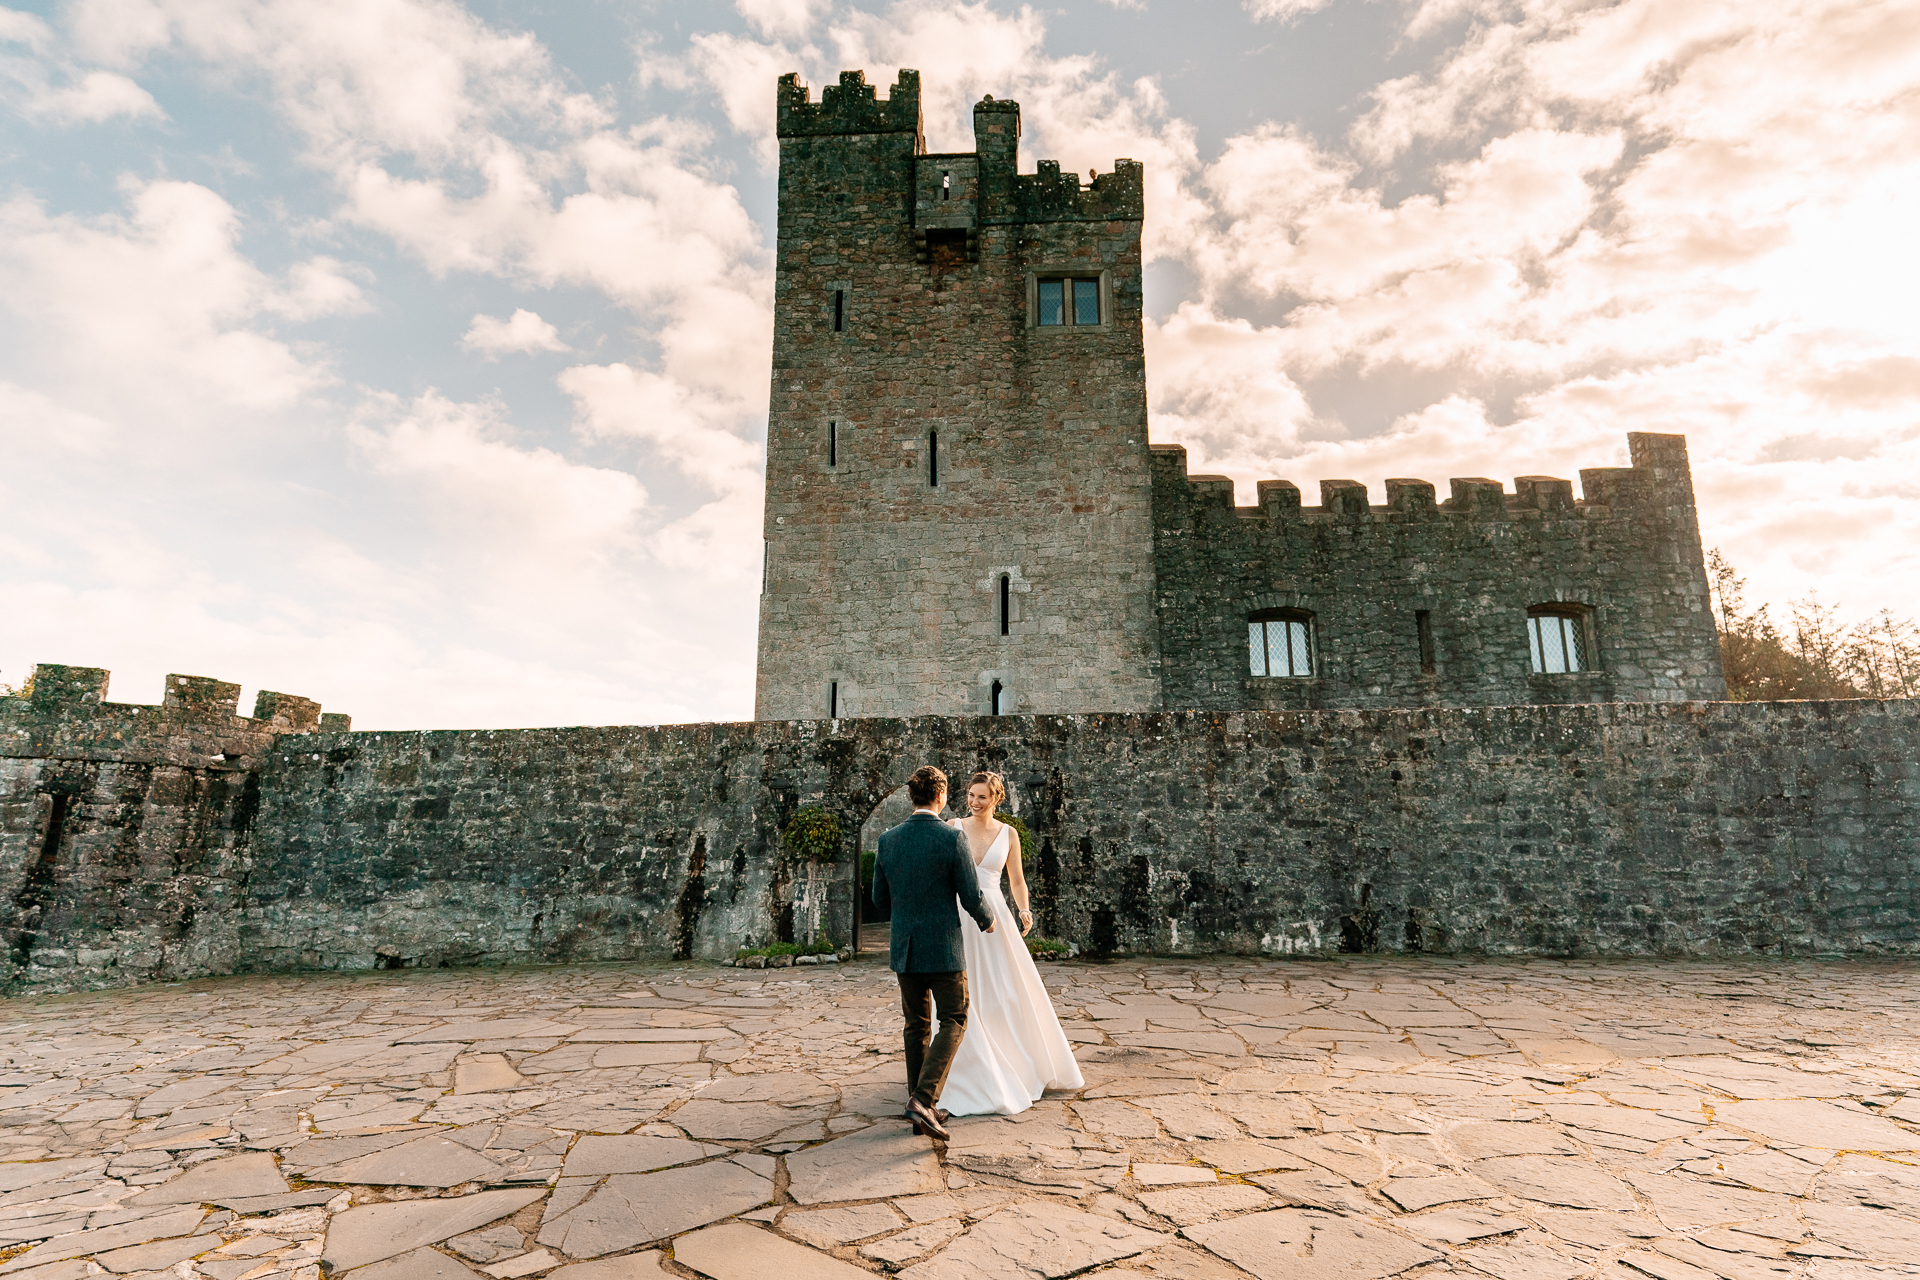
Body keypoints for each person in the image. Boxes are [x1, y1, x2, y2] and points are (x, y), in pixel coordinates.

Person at [938, 771, 1084, 1115]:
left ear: (996, 799)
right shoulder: (952, 826)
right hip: (958, 915)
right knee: (961, 989)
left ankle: (1015, 1062)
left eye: (982, 797)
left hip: (995, 917)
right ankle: (965, 1068)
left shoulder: (1009, 834)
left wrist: (1024, 909)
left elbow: (1016, 880)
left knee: (1005, 989)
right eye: (971, 795)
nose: (974, 802)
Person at [870, 765, 995, 1141]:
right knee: (955, 1018)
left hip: (905, 947)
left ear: (912, 796)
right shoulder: (951, 838)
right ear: (941, 796)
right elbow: (970, 893)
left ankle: (918, 1110)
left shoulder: (887, 840)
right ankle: (923, 1100)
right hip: (943, 946)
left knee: (916, 1026)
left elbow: (879, 900)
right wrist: (987, 920)